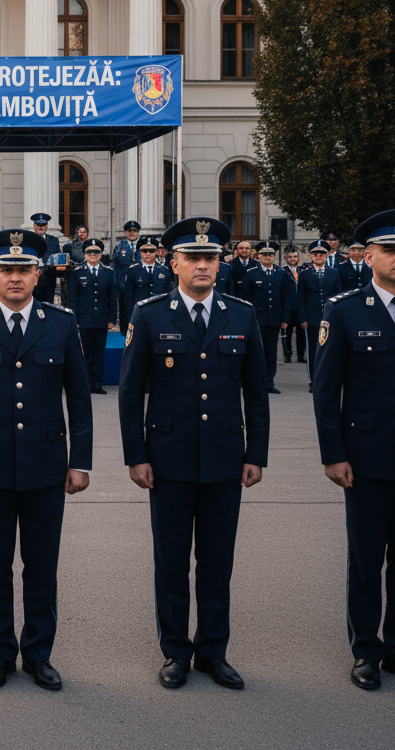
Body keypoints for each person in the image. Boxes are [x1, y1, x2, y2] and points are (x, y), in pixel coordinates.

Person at [119, 215, 269, 691]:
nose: (203, 266)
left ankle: (212, 652)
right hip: (168, 458)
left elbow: (256, 393)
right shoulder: (149, 314)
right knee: (171, 562)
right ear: (173, 263)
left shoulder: (241, 315)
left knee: (217, 562)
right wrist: (136, 455)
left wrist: (256, 453)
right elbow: (130, 393)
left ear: (220, 265)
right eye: (194, 258)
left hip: (226, 456)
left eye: (210, 258)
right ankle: (175, 652)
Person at [0, 228, 92, 692]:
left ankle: (40, 655)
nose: (14, 278)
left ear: (38, 274)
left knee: (42, 565)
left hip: (47, 465)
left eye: (23, 270)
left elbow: (80, 400)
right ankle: (0, 654)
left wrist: (80, 461)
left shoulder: (62, 324)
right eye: (6, 270)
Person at [312, 209, 395, 691]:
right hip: (367, 457)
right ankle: (366, 651)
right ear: (367, 256)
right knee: (367, 559)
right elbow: (325, 389)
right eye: (392, 250)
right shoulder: (346, 308)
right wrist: (333, 453)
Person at [70, 238, 117, 395]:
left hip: (102, 318)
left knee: (99, 353)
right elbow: (72, 298)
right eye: (89, 252)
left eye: (96, 252)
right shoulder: (77, 273)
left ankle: (97, 383)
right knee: (86, 353)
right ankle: (85, 383)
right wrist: (75, 318)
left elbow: (112, 297)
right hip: (84, 319)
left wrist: (112, 319)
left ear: (101, 254)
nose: (93, 255)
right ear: (85, 254)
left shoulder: (108, 273)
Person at [241, 240, 289, 394]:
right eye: (264, 255)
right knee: (255, 351)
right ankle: (254, 381)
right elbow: (246, 299)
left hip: (274, 319)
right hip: (257, 319)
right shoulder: (251, 274)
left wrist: (285, 319)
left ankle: (269, 381)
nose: (268, 257)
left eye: (271, 255)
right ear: (258, 256)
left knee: (271, 352)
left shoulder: (281, 274)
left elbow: (286, 298)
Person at [299, 239, 342, 392]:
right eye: (315, 254)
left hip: (330, 318)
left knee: (330, 350)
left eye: (322, 254)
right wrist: (302, 318)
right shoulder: (304, 274)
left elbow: (338, 295)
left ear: (327, 255)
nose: (319, 256)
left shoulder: (335, 272)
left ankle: (328, 380)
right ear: (311, 256)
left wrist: (338, 316)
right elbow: (300, 297)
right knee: (313, 351)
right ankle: (313, 381)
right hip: (311, 317)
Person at [121, 236, 173, 325]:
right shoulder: (132, 270)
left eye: (152, 251)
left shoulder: (164, 270)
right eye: (144, 251)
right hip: (139, 314)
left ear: (156, 252)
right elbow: (127, 297)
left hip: (159, 313)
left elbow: (168, 293)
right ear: (140, 252)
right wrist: (128, 318)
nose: (148, 254)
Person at [112, 220, 142, 334]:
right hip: (123, 285)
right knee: (125, 309)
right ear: (126, 232)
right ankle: (125, 333)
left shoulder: (143, 246)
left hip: (140, 284)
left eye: (134, 231)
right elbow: (114, 266)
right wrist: (117, 284)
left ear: (138, 232)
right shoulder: (120, 247)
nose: (132, 233)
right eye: (130, 231)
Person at [30, 213, 61, 305]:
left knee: (48, 307)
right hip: (31, 280)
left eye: (43, 225)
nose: (41, 227)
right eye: (38, 225)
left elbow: (57, 258)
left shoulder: (54, 240)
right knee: (32, 307)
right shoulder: (28, 240)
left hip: (49, 279)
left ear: (47, 226)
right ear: (34, 225)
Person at [281, 246, 305, 364]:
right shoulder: (282, 271)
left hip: (300, 306)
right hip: (288, 306)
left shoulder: (303, 270)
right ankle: (287, 354)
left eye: (295, 256)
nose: (292, 259)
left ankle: (301, 355)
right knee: (287, 332)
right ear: (286, 258)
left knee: (301, 332)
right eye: (290, 257)